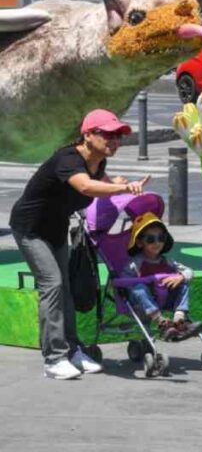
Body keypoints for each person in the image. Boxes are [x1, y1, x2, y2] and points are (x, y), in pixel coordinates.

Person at [9, 109, 149, 379]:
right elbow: (85, 187)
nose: (114, 141)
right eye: (107, 134)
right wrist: (122, 188)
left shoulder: (98, 162)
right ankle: (54, 359)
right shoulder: (68, 159)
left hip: (55, 230)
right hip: (30, 230)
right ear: (87, 135)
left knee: (65, 289)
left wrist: (114, 183)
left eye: (118, 136)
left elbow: (99, 181)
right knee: (52, 285)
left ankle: (73, 351)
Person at [122, 212, 202, 341]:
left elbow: (189, 271)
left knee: (183, 282)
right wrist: (145, 281)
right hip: (143, 304)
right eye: (150, 239)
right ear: (139, 243)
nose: (157, 242)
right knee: (139, 287)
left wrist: (180, 277)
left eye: (161, 238)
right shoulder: (135, 263)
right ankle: (161, 322)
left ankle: (179, 319)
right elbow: (122, 281)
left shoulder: (167, 261)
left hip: (165, 299)